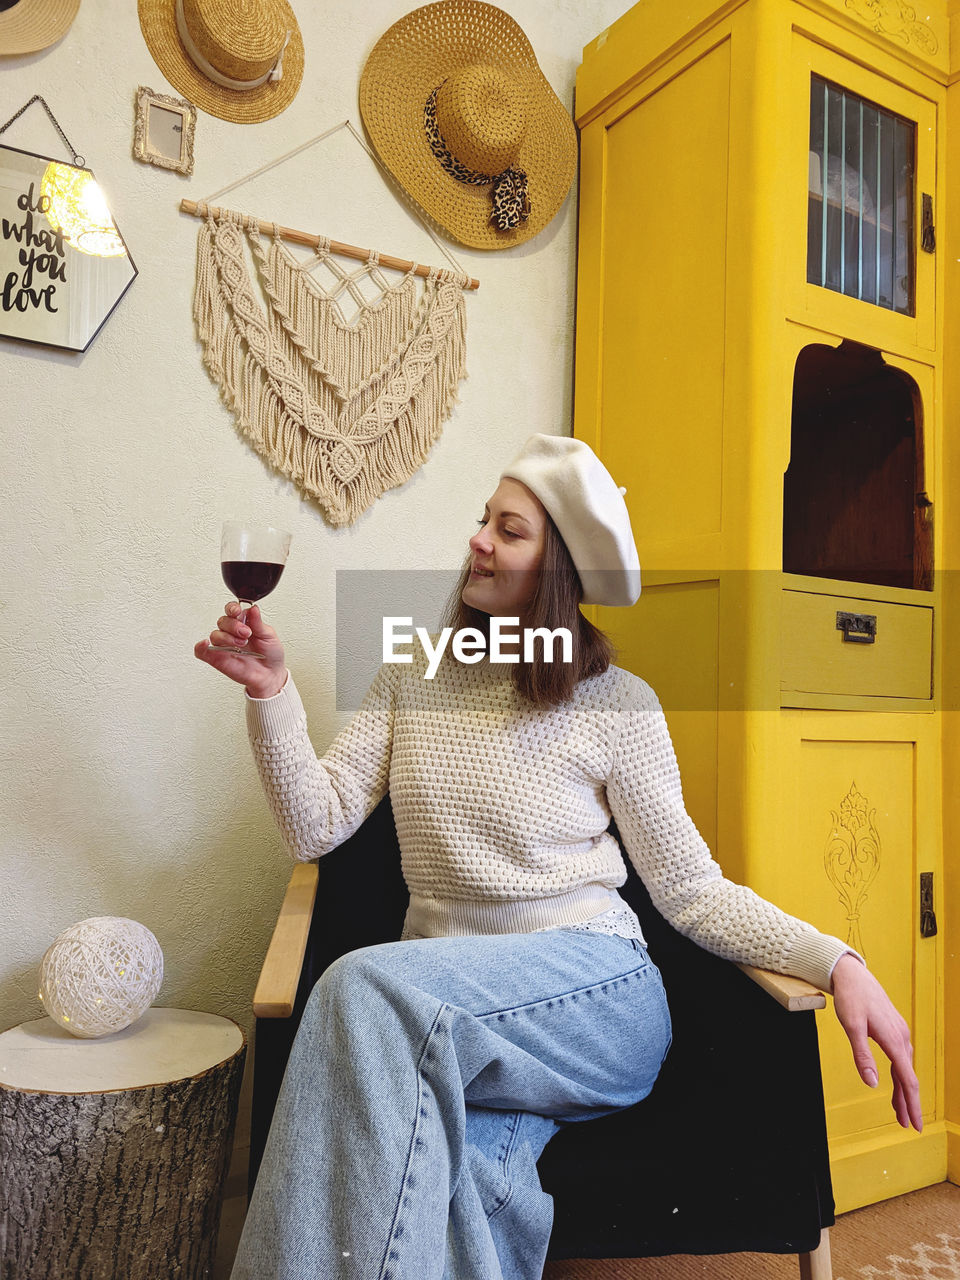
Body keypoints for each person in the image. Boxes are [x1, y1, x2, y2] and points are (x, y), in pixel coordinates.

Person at [196, 434, 921, 1280]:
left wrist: (836, 962)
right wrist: (271, 696)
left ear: (558, 572)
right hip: (453, 1011)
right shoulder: (412, 677)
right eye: (483, 521)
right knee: (466, 1176)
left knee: (359, 983)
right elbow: (313, 826)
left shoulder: (621, 704)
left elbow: (690, 890)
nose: (477, 540)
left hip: (597, 996)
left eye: (509, 530)